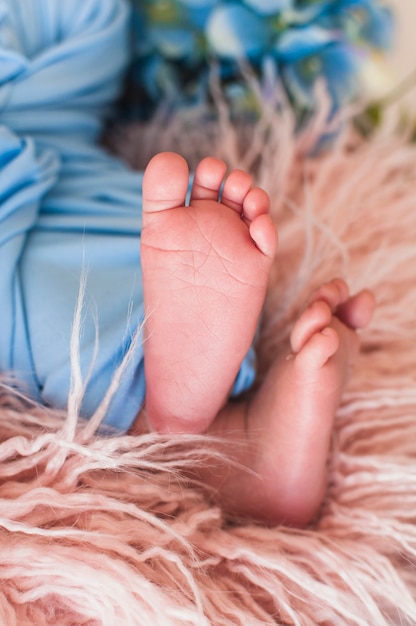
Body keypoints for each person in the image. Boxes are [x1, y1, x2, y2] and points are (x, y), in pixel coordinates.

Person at [0, 0, 374, 527]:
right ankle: (219, 441)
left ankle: (180, 415)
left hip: (53, 154)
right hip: (81, 194)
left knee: (69, 315)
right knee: (85, 299)